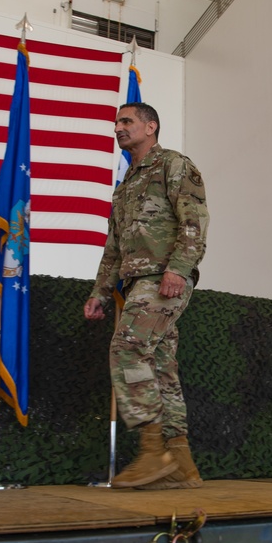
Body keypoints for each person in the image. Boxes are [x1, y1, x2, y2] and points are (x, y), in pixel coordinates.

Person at [84, 102, 209, 489]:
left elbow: (194, 220)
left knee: (127, 348)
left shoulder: (174, 164)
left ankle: (153, 451)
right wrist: (100, 292)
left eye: (127, 121)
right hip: (137, 282)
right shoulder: (124, 187)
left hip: (164, 279)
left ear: (150, 126)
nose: (118, 127)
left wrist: (178, 268)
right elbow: (114, 247)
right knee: (162, 369)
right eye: (117, 122)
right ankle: (183, 464)